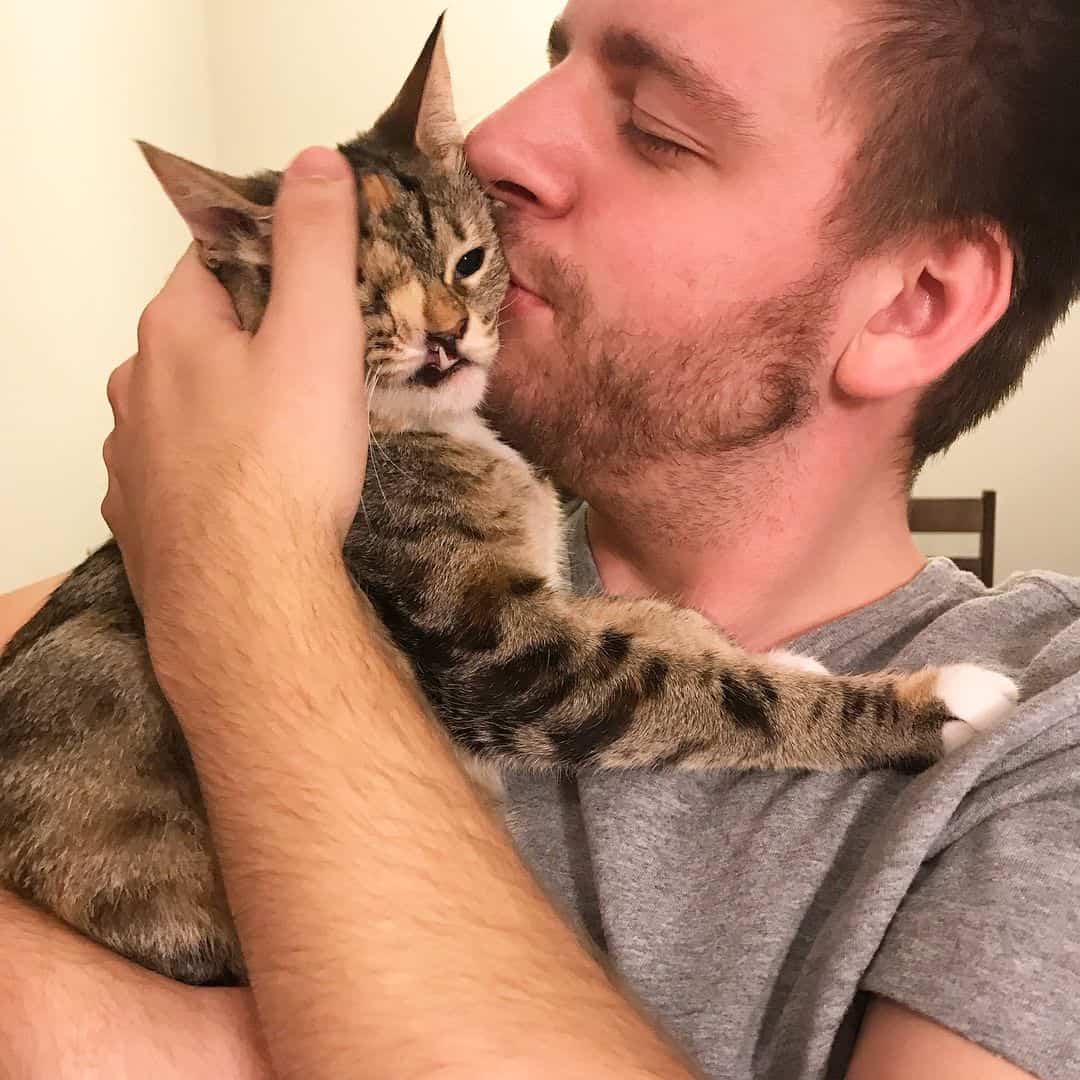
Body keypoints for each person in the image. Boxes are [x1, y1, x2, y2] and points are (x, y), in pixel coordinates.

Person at [2, 1, 1078, 1076]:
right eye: (550, 57)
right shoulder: (259, 528)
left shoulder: (1048, 745)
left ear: (914, 303)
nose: (495, 143)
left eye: (657, 126)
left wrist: (239, 566)